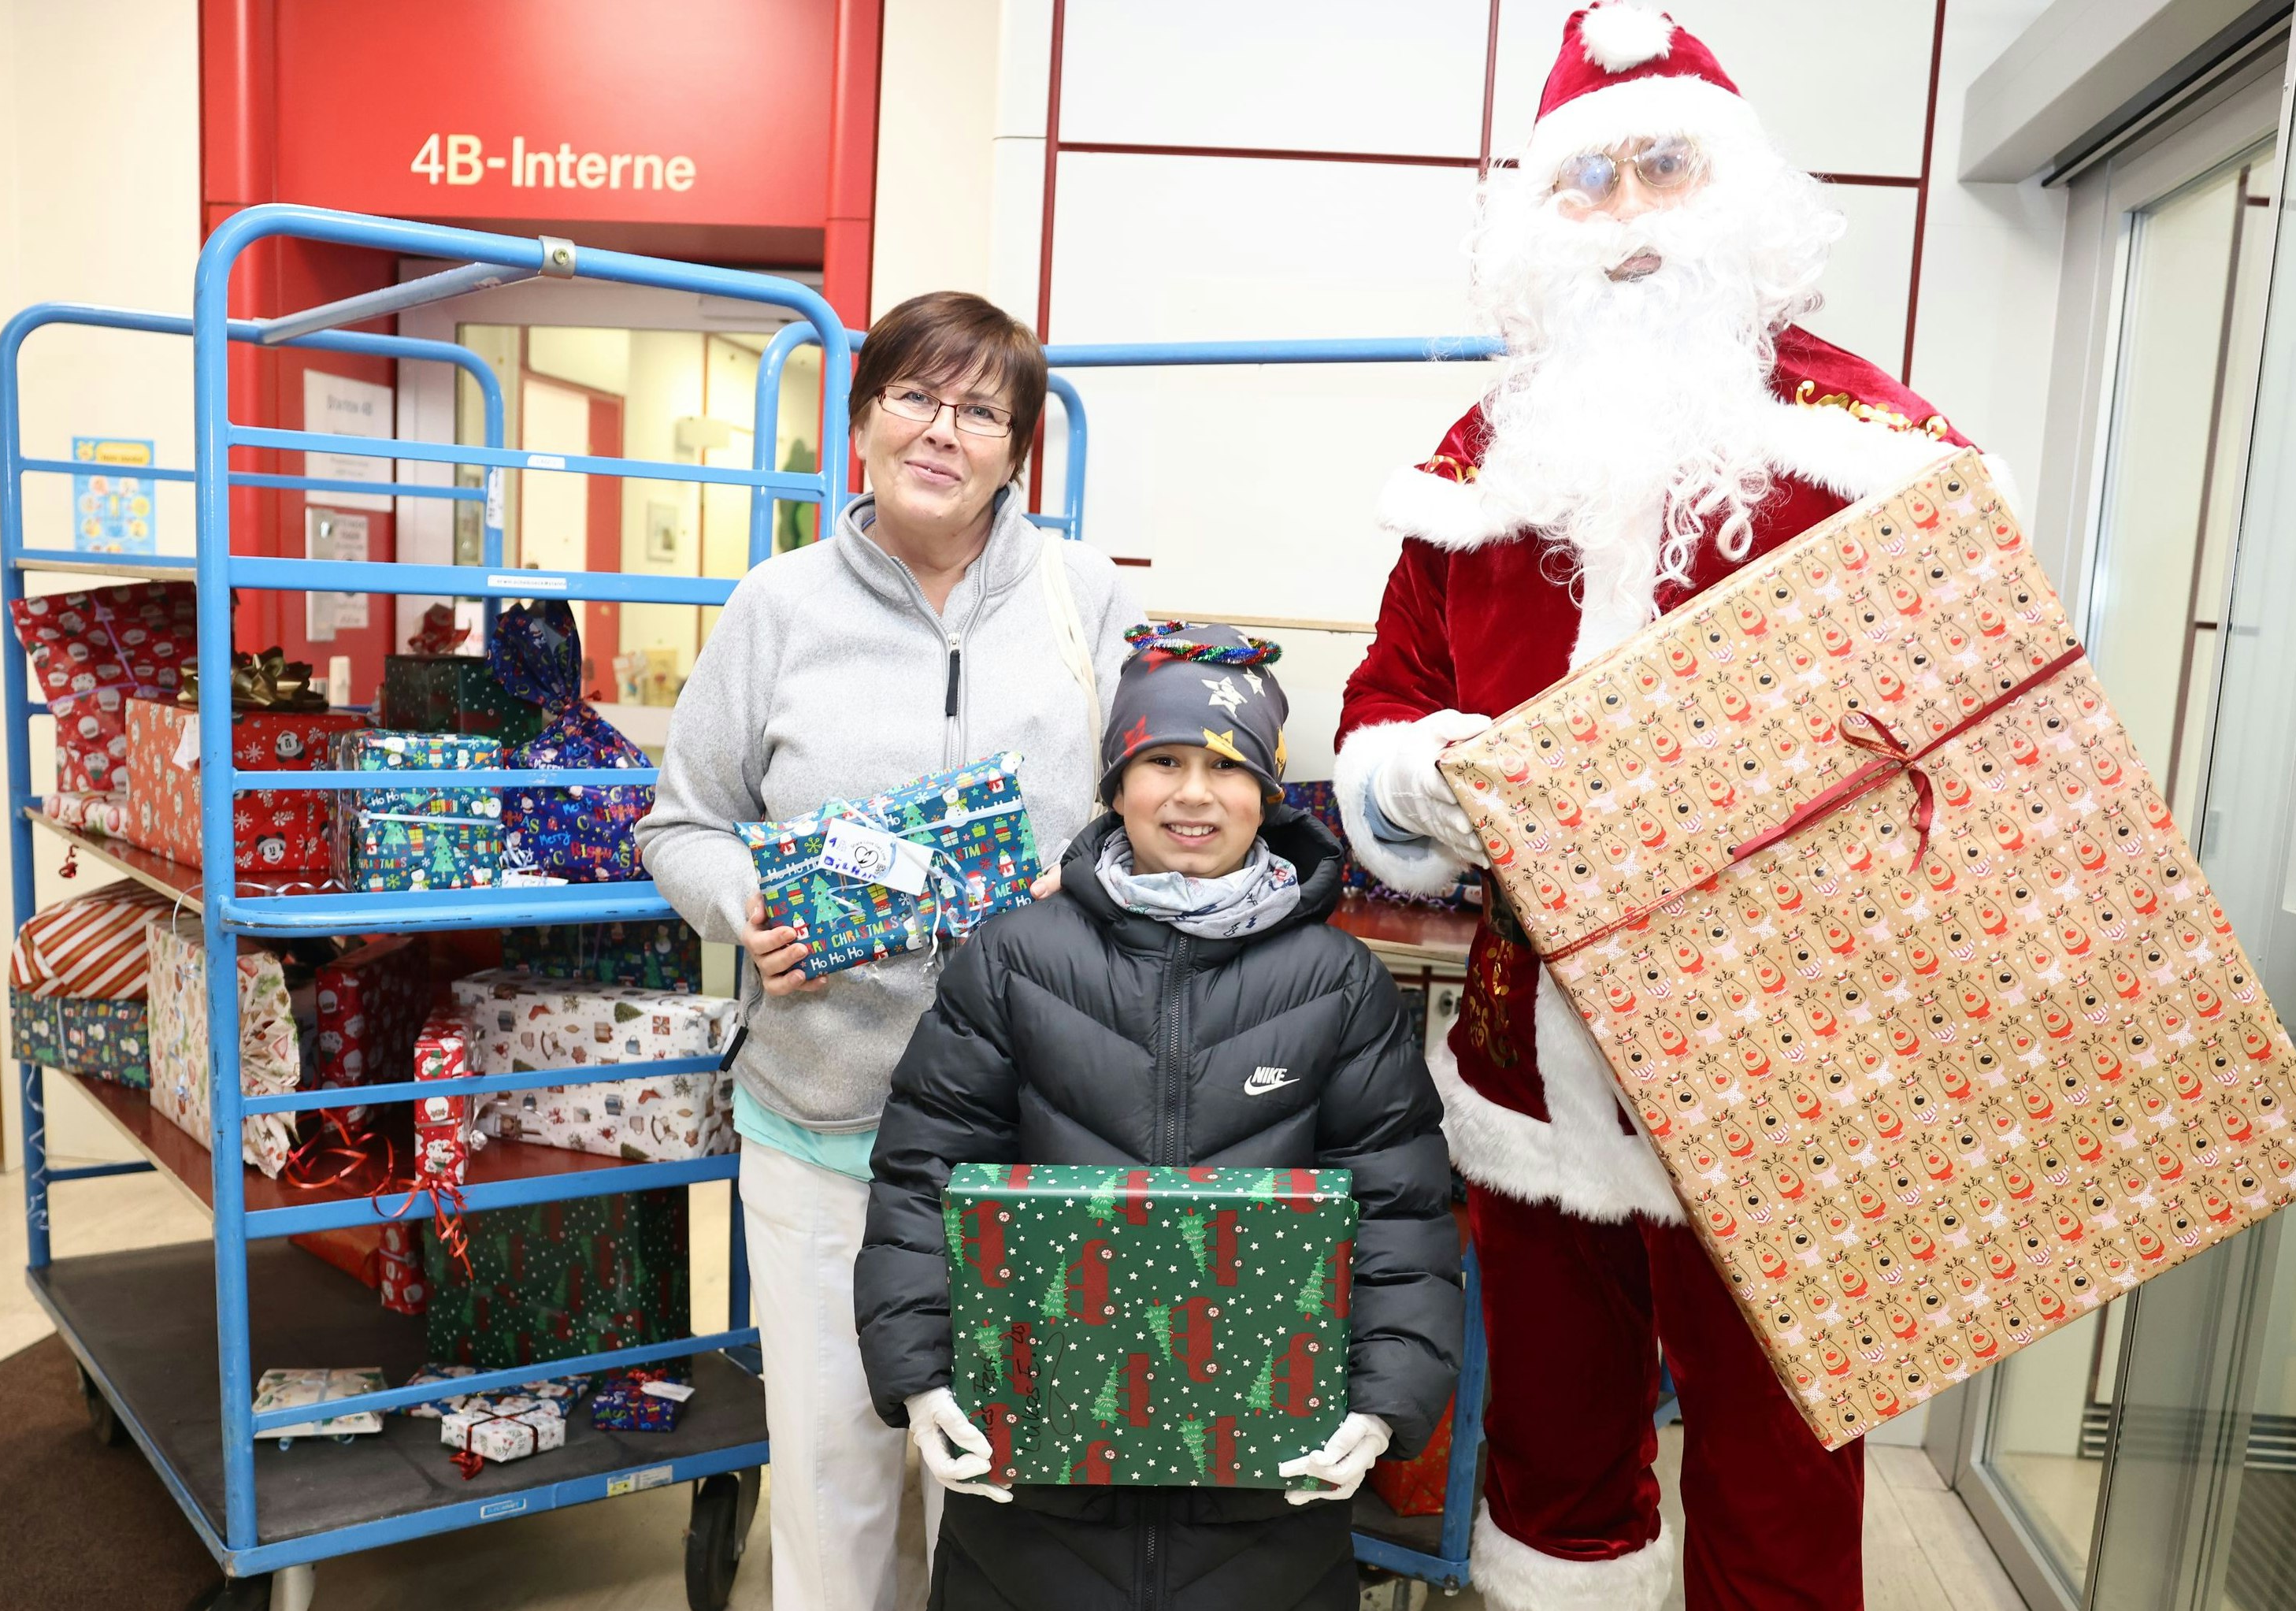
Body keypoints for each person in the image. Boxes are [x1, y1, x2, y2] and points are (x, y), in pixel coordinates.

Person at [1332, 8, 2003, 1610]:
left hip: (1785, 1050)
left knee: (1778, 1451)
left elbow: (1980, 729)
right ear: (1538, 224)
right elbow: (1377, 706)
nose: (1631, 214)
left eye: (1665, 164)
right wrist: (1424, 773)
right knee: (1555, 1440)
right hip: (1534, 1055)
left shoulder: (1872, 453)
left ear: (1741, 192)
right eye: (1593, 178)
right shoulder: (1473, 468)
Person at [636, 290, 1141, 1611]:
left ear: (1017, 448)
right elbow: (679, 826)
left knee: (1003, 1497)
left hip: (1035, 1133)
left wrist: (1078, 887)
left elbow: (1154, 825)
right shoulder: (778, 605)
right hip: (822, 1127)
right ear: (862, 417)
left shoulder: (1087, 599)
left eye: (981, 410)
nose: (943, 430)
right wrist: (749, 903)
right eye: (915, 395)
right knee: (831, 1478)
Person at [855, 623, 1462, 1611]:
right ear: (1115, 784)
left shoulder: (1338, 983)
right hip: (1036, 1492)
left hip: (1266, 1500)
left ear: (1268, 792)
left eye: (1227, 767)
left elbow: (1400, 1211)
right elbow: (925, 1178)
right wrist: (921, 1376)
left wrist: (1385, 1404)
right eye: (1162, 760)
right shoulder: (1012, 960)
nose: (1193, 793)